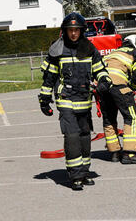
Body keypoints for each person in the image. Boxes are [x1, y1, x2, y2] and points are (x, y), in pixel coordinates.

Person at [38, 12, 113, 191]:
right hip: (66, 101)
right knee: (72, 137)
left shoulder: (89, 49)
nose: (73, 33)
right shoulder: (58, 50)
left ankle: (85, 171)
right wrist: (44, 99)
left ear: (82, 31)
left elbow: (100, 71)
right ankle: (75, 176)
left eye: (76, 30)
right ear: (65, 31)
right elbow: (49, 78)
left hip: (84, 101)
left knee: (85, 138)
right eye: (70, 30)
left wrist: (103, 83)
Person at [101, 34, 136, 164]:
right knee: (132, 117)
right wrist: (133, 88)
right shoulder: (135, 53)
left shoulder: (111, 53)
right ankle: (130, 153)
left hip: (103, 87)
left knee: (109, 119)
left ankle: (114, 153)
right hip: (119, 86)